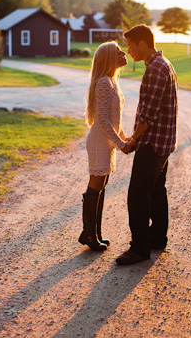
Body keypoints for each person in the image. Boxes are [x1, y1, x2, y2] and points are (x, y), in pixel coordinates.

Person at [116, 24, 178, 265]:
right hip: (164, 142)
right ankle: (157, 238)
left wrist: (133, 139)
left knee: (137, 195)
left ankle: (140, 248)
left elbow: (148, 116)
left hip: (152, 144)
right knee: (156, 190)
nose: (129, 51)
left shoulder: (154, 69)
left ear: (143, 43)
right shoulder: (165, 64)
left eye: (131, 47)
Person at [80, 41, 129, 251]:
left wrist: (124, 137)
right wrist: (120, 144)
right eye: (119, 51)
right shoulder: (103, 83)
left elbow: (114, 118)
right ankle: (89, 235)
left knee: (101, 187)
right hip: (100, 142)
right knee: (95, 187)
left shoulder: (111, 81)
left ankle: (93, 233)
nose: (124, 53)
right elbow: (102, 120)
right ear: (110, 58)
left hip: (107, 142)